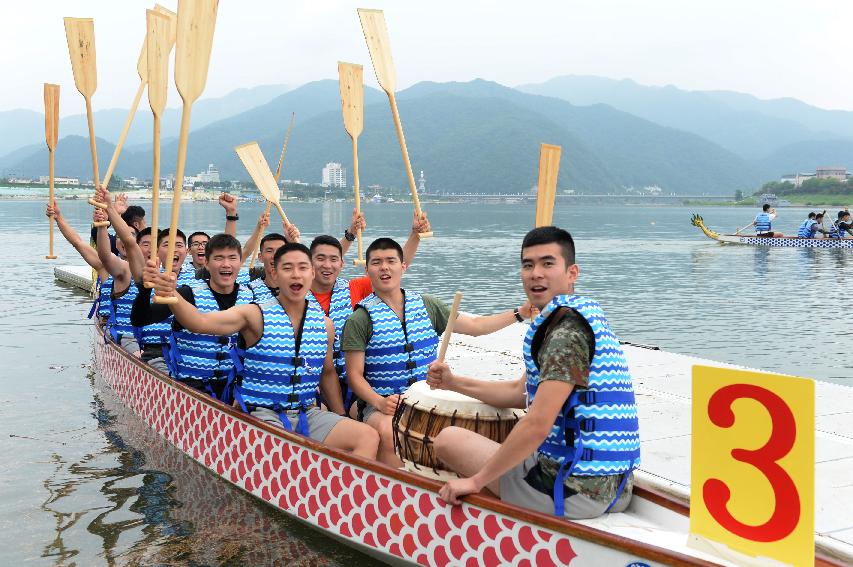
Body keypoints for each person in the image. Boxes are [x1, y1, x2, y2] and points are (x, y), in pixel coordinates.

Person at [426, 226, 640, 520]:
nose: (536, 273)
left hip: (573, 490)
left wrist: (475, 481)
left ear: (572, 273)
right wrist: (452, 382)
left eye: (547, 263)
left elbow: (538, 423)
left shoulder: (566, 334)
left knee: (449, 440)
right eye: (528, 265)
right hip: (615, 487)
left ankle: (492, 525)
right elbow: (520, 393)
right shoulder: (580, 317)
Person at [147, 242, 380, 458]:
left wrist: (338, 416)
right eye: (287, 268)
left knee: (367, 436)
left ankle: (342, 493)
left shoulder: (325, 325)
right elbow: (200, 321)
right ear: (275, 274)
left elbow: (327, 373)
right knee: (287, 444)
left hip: (305, 413)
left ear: (312, 274)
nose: (296, 274)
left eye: (302, 268)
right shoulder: (254, 314)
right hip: (262, 413)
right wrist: (171, 294)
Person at [341, 237, 535, 467]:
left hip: (425, 397)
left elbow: (476, 327)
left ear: (403, 267)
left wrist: (520, 313)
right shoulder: (359, 319)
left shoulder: (427, 306)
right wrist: (380, 402)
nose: (384, 267)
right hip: (379, 403)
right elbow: (354, 375)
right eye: (377, 262)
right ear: (367, 270)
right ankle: (399, 486)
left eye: (391, 261)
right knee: (389, 430)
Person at [308, 211, 431, 411]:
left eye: (333, 260)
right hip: (314, 384)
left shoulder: (352, 289)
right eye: (320, 259)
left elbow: (392, 268)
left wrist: (415, 235)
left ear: (341, 263)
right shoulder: (295, 297)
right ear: (309, 263)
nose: (327, 265)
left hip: (354, 379)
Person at [140, 234, 254, 401]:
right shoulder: (187, 293)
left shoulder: (251, 297)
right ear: (206, 263)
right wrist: (144, 288)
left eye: (232, 258)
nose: (226, 264)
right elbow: (140, 319)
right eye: (219, 258)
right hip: (190, 385)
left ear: (240, 262)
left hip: (231, 385)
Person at [130, 227, 193, 373]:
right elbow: (129, 243)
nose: (173, 250)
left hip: (187, 352)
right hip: (155, 352)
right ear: (156, 251)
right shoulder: (148, 277)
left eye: (178, 245)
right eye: (167, 245)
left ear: (186, 251)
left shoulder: (198, 279)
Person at [46, 201, 111, 315]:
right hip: (113, 326)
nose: (125, 242)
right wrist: (59, 217)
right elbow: (77, 242)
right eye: (120, 238)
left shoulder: (148, 269)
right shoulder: (107, 266)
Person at [94, 208, 141, 356]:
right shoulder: (115, 268)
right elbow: (103, 255)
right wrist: (102, 225)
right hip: (123, 334)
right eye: (119, 237)